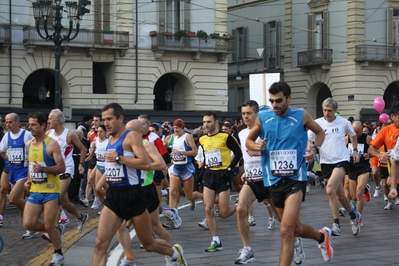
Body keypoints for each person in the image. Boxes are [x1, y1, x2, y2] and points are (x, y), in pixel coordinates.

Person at [246, 81, 333, 265]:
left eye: (278, 101)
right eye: (272, 101)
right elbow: (249, 141)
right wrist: (257, 145)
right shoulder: (263, 117)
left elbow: (319, 132)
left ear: (289, 98)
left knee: (285, 231)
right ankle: (321, 237)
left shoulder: (301, 115)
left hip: (295, 178)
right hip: (273, 180)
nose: (275, 105)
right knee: (293, 228)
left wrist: (314, 149)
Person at [92, 103, 187, 266]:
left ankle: (173, 253)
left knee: (149, 244)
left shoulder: (131, 137)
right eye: (103, 120)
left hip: (134, 195)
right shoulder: (110, 139)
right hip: (114, 195)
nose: (105, 123)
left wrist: (118, 158)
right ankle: (129, 256)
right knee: (100, 244)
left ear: (120, 118)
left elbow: (145, 163)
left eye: (109, 119)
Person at [308, 97, 361, 237]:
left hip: (341, 160)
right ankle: (353, 216)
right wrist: (311, 149)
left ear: (335, 111)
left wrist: (354, 150)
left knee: (330, 189)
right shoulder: (317, 123)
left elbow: (353, 135)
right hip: (326, 161)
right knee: (340, 195)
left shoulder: (343, 122)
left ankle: (336, 224)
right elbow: (310, 138)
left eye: (330, 111)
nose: (327, 113)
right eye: (324, 110)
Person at [235, 100, 278, 264]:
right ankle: (247, 249)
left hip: (269, 178)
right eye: (243, 113)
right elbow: (246, 156)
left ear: (257, 114)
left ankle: (295, 242)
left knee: (281, 218)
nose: (245, 116)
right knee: (240, 209)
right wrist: (245, 171)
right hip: (252, 179)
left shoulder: (267, 130)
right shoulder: (241, 133)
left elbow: (276, 152)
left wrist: (260, 153)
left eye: (249, 113)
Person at [23, 112, 66, 265]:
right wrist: (28, 181)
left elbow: (62, 167)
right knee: (28, 224)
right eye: (29, 124)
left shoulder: (51, 144)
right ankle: (56, 230)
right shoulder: (28, 145)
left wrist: (43, 170)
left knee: (48, 225)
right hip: (35, 190)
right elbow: (31, 166)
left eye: (33, 124)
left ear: (43, 125)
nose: (30, 127)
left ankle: (58, 253)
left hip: (51, 190)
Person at [200, 111, 242, 252]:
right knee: (208, 208)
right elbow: (206, 156)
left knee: (223, 213)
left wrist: (229, 169)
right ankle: (216, 240)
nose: (206, 124)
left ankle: (241, 207)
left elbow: (238, 153)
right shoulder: (202, 139)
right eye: (204, 122)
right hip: (209, 175)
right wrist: (202, 171)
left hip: (223, 175)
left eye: (209, 122)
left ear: (216, 123)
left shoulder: (225, 137)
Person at [46, 109, 89, 234]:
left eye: (50, 118)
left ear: (57, 121)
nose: (48, 121)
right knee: (64, 203)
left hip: (66, 169)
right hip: (54, 170)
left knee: (55, 198)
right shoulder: (48, 133)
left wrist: (81, 164)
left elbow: (83, 149)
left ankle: (54, 228)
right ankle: (81, 217)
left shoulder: (69, 134)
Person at [163, 119, 202, 229]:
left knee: (189, 195)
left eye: (178, 128)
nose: (175, 130)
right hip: (176, 168)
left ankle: (204, 197)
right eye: (174, 128)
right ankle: (173, 218)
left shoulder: (187, 137)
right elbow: (162, 147)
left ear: (182, 128)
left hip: (187, 168)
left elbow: (194, 152)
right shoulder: (171, 137)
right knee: (173, 192)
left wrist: (181, 152)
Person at [0, 113, 34, 238]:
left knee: (13, 198)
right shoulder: (7, 136)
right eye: (6, 122)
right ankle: (29, 226)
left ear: (17, 123)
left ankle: (35, 210)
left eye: (10, 122)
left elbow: (33, 149)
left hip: (23, 170)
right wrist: (6, 156)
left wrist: (28, 159)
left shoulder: (26, 134)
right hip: (12, 170)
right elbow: (1, 150)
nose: (7, 125)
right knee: (19, 202)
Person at [368, 102, 399, 209]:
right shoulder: (386, 130)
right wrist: (380, 155)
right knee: (386, 184)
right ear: (392, 116)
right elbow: (371, 149)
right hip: (389, 162)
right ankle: (390, 200)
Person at [347, 121, 372, 227]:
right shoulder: (347, 138)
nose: (355, 134)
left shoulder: (367, 138)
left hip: (363, 168)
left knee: (358, 193)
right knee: (353, 196)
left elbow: (374, 150)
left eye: (357, 132)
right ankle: (365, 189)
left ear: (362, 130)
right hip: (352, 168)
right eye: (353, 131)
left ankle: (359, 216)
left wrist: (369, 155)